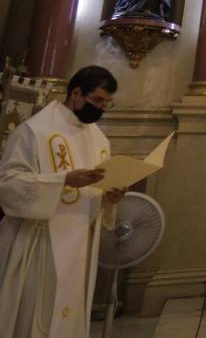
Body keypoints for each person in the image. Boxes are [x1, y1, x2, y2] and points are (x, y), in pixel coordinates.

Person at [0, 65, 126, 338]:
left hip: (80, 243)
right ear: (76, 92)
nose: (101, 108)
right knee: (36, 316)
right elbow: (7, 184)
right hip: (40, 241)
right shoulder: (34, 130)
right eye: (97, 100)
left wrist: (109, 198)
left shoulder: (99, 139)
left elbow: (96, 188)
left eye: (107, 103)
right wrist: (63, 181)